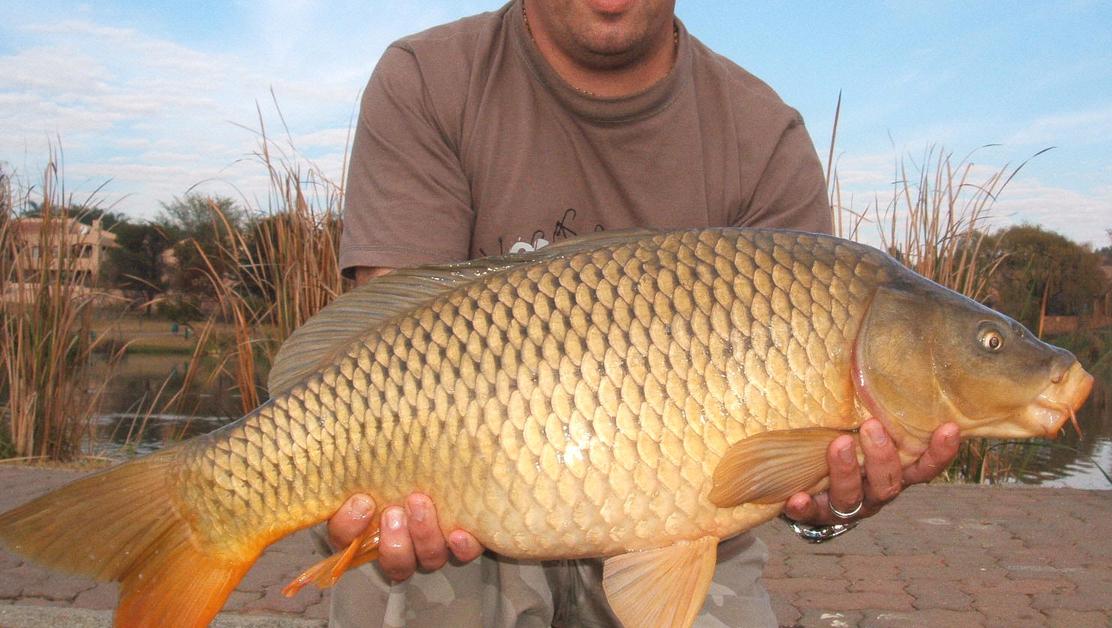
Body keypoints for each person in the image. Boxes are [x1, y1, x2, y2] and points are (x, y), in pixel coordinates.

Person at [327, 1, 961, 625]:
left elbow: (799, 496)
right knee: (400, 573)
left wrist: (836, 504)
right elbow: (388, 346)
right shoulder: (428, 77)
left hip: (694, 528)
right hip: (478, 495)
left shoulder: (763, 134)